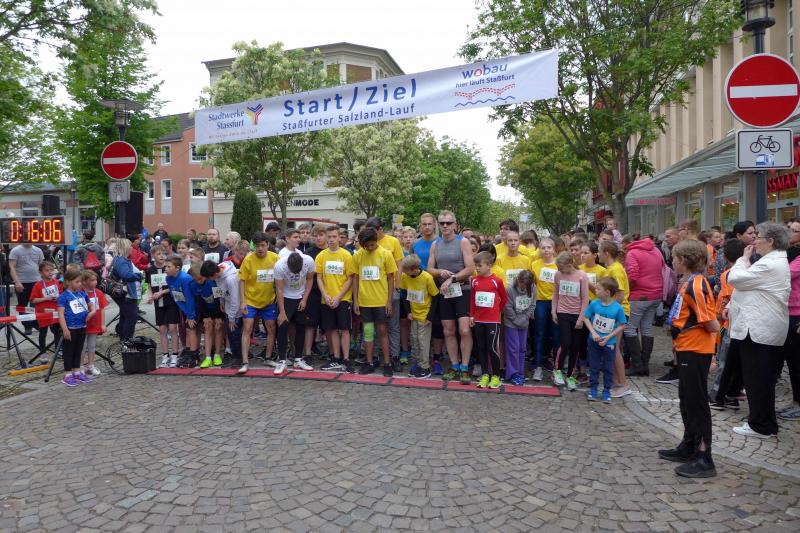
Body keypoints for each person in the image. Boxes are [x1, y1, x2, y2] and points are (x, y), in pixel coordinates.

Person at [658, 239, 719, 478]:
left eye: (674, 258)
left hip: (696, 349)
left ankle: (705, 457)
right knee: (686, 399)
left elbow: (710, 322)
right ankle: (689, 445)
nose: (672, 261)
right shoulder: (690, 282)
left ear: (683, 260)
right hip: (687, 347)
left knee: (696, 402)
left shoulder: (697, 285)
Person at [728, 223, 791, 439]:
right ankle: (764, 423)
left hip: (760, 330)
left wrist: (742, 260)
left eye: (759, 237)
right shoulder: (771, 261)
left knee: (758, 380)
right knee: (760, 379)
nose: (755, 241)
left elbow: (735, 279)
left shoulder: (770, 264)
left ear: (770, 241)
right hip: (760, 328)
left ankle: (761, 426)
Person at [428, 210, 475, 383]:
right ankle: (454, 365)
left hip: (462, 289)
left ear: (455, 224)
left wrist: (453, 278)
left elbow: (470, 268)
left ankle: (465, 367)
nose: (445, 226)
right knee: (448, 330)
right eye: (442, 223)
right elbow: (430, 268)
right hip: (445, 292)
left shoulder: (463, 242)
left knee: (464, 330)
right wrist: (440, 271)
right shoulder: (435, 244)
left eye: (448, 223)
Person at [352, 227, 396, 376]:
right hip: (365, 302)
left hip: (381, 301)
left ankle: (387, 363)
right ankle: (369, 362)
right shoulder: (358, 255)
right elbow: (355, 278)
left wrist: (389, 301)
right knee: (368, 332)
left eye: (372, 244)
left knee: (382, 331)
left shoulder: (385, 254)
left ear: (376, 240)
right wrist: (356, 300)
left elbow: (391, 278)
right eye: (366, 246)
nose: (369, 248)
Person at [710, 239, 745, 410]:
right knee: (737, 363)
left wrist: (720, 313)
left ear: (725, 257)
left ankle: (717, 395)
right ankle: (732, 394)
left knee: (724, 361)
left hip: (730, 324)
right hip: (743, 323)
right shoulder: (749, 271)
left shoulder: (728, 274)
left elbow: (727, 298)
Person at [237, 232, 279, 374]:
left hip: (268, 300)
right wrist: (242, 301)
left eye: (262, 245)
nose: (260, 249)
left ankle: (268, 357)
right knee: (247, 328)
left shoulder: (275, 258)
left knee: (271, 328)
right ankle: (244, 361)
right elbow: (242, 280)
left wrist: (279, 295)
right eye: (257, 246)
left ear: (268, 245)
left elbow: (280, 278)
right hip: (251, 300)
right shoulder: (248, 259)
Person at [365, 217, 404, 368]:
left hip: (390, 288)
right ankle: (374, 356)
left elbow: (399, 265)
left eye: (374, 231)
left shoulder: (393, 242)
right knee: (374, 326)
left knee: (392, 325)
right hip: (372, 292)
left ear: (381, 229)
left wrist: (397, 286)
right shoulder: (367, 242)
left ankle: (395, 356)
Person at [316, 225, 356, 372]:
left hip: (343, 299)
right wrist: (325, 295)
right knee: (331, 329)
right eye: (329, 237)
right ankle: (336, 358)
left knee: (344, 329)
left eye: (334, 237)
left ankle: (346, 359)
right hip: (326, 299)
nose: (332, 239)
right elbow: (319, 277)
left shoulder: (346, 255)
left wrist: (339, 297)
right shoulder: (321, 256)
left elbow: (350, 278)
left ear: (339, 238)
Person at [624, 235, 665, 376]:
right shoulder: (656, 250)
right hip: (656, 295)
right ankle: (645, 365)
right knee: (647, 329)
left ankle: (637, 365)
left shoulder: (632, 253)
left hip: (639, 296)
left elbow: (633, 275)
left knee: (629, 329)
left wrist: (628, 290)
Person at [583, 277, 627, 403]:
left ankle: (606, 391)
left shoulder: (617, 308)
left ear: (607, 292)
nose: (595, 290)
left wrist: (609, 337)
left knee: (608, 368)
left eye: (598, 289)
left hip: (609, 343)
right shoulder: (594, 304)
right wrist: (593, 332)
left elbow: (622, 325)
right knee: (594, 366)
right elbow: (586, 317)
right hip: (593, 341)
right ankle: (593, 390)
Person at [551, 252, 589, 390]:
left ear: (569, 265)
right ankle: (557, 371)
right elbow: (555, 294)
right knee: (565, 343)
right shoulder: (558, 275)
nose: (560, 270)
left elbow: (585, 298)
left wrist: (581, 318)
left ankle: (570, 375)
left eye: (562, 268)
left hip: (577, 314)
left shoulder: (582, 276)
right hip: (563, 312)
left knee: (575, 346)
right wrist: (553, 311)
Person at [470, 251, 508, 389]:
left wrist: (497, 311)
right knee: (481, 348)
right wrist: (472, 315)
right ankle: (485, 374)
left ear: (489, 265)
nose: (477, 268)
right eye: (476, 265)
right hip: (479, 319)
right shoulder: (474, 280)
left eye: (480, 265)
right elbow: (473, 299)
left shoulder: (496, 281)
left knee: (492, 348)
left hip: (492, 320)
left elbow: (504, 298)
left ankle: (496, 376)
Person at [274, 251, 316, 375]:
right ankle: (282, 360)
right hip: (286, 297)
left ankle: (298, 359)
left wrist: (304, 299)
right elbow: (279, 289)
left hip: (301, 295)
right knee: (283, 327)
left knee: (301, 327)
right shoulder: (279, 266)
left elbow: (310, 279)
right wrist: (282, 312)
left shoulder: (308, 261)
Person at [598, 240, 631, 397]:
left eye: (599, 251)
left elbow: (620, 295)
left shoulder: (616, 269)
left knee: (615, 348)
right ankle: (617, 382)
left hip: (618, 313)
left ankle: (623, 384)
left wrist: (606, 308)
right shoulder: (611, 268)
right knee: (611, 348)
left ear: (606, 253)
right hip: (614, 312)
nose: (598, 254)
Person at [398, 254, 439, 379]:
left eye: (406, 270)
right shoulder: (405, 277)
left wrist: (430, 317)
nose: (404, 273)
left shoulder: (427, 278)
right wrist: (408, 312)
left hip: (424, 315)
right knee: (415, 340)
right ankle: (418, 363)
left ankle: (425, 367)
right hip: (414, 314)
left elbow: (435, 297)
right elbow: (405, 294)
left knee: (423, 341)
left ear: (414, 269)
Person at [56, 269, 95, 387]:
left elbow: (91, 305)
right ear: (68, 282)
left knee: (78, 350)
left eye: (81, 282)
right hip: (70, 327)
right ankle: (68, 374)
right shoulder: (63, 297)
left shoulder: (82, 294)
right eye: (77, 282)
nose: (80, 284)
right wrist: (65, 329)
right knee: (69, 352)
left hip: (82, 326)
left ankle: (77, 371)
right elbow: (61, 314)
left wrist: (92, 311)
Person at [146, 245, 180, 368]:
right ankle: (165, 354)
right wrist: (150, 296)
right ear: (153, 256)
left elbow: (174, 285)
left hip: (170, 301)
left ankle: (175, 354)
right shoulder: (150, 270)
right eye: (158, 254)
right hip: (158, 303)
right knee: (162, 329)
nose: (161, 256)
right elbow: (149, 285)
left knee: (173, 328)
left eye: (163, 253)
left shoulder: (168, 268)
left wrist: (162, 292)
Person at [530, 238, 559, 381]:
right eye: (543, 248)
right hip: (540, 302)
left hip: (556, 302)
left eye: (549, 247)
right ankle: (538, 366)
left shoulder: (559, 265)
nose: (546, 250)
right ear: (539, 250)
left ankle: (557, 368)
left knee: (556, 335)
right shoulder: (535, 264)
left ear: (554, 249)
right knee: (540, 334)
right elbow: (532, 286)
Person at [778, 238, 800, 420]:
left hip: (797, 314)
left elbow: (785, 274)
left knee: (797, 362)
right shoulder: (790, 254)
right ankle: (795, 401)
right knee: (792, 362)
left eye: (794, 230)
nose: (790, 233)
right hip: (787, 311)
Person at [165, 257, 200, 367]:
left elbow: (190, 298)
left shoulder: (185, 279)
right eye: (165, 266)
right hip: (183, 307)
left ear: (177, 268)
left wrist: (190, 315)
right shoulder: (168, 278)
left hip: (194, 306)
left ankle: (194, 355)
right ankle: (188, 351)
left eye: (169, 267)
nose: (166, 269)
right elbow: (174, 295)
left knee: (191, 329)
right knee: (187, 330)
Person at [503, 270, 536, 385]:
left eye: (527, 285)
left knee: (522, 348)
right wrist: (517, 320)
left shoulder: (533, 287)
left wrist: (524, 318)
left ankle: (520, 372)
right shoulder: (509, 289)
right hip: (511, 323)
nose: (524, 287)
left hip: (524, 322)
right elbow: (507, 307)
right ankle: (513, 373)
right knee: (513, 348)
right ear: (518, 280)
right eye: (522, 284)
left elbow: (532, 304)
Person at [109, 239, 143, 341]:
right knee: (131, 317)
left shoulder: (118, 259)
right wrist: (139, 275)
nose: (131, 248)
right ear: (125, 247)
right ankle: (127, 341)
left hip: (122, 293)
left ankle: (123, 340)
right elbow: (126, 275)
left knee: (125, 316)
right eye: (130, 246)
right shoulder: (121, 261)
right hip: (126, 293)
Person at [9, 242, 44, 335]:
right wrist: (17, 282)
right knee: (22, 306)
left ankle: (35, 323)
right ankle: (27, 326)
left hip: (36, 281)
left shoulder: (38, 250)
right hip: (22, 282)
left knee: (36, 304)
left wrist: (43, 281)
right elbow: (12, 267)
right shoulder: (15, 250)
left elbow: (42, 266)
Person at [29, 261, 61, 363]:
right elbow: (33, 300)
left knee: (57, 331)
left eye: (51, 270)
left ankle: (58, 350)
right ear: (40, 272)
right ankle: (43, 353)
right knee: (43, 333)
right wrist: (46, 298)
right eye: (47, 270)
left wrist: (59, 298)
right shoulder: (38, 285)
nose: (50, 272)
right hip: (43, 312)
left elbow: (62, 294)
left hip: (55, 310)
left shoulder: (57, 282)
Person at [712, 221, 756, 290]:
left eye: (754, 233)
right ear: (739, 236)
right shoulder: (725, 250)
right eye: (750, 233)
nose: (754, 236)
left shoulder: (756, 249)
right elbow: (719, 277)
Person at [81, 270, 107, 376]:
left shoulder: (98, 292)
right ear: (84, 281)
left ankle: (91, 366)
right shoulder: (80, 293)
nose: (95, 282)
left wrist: (103, 324)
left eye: (96, 280)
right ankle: (80, 367)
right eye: (92, 280)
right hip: (83, 324)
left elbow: (102, 309)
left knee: (92, 346)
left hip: (95, 324)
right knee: (82, 346)